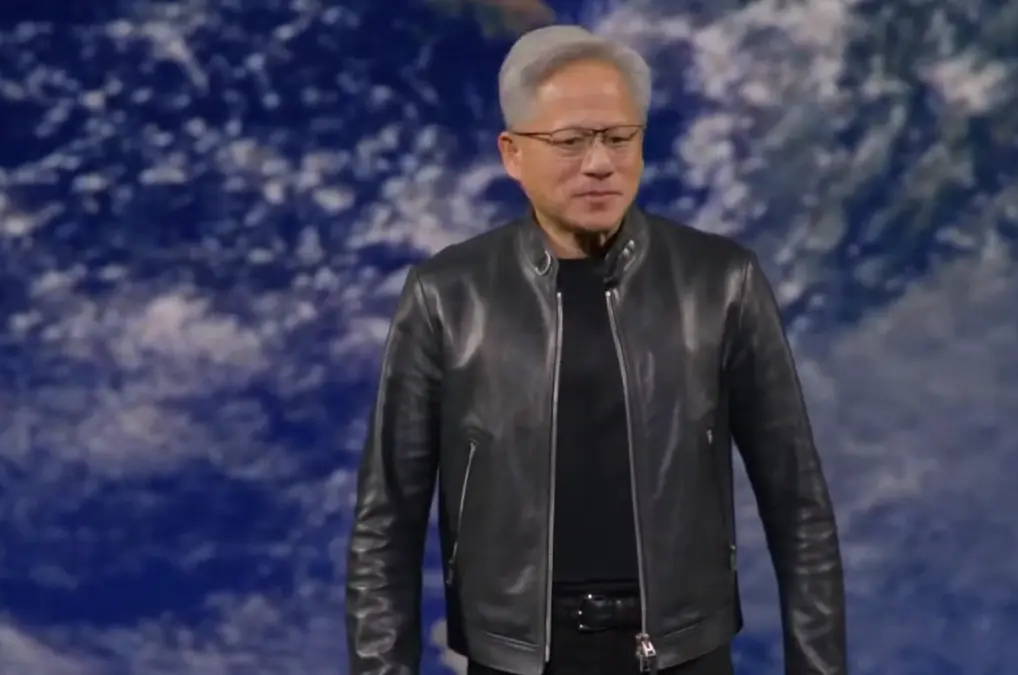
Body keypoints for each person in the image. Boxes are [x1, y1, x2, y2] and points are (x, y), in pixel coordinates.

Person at [346, 24, 847, 675]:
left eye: (619, 137)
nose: (600, 162)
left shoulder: (720, 281)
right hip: (516, 659)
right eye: (571, 141)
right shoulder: (447, 294)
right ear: (512, 153)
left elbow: (799, 505)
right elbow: (385, 522)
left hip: (683, 653)